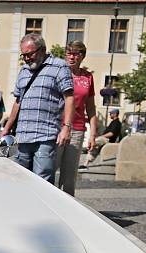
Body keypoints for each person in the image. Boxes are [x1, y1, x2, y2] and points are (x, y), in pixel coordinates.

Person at [0, 33, 74, 184]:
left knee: (42, 181)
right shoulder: (24, 71)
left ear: (42, 49)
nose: (26, 59)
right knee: (19, 181)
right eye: (23, 55)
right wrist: (6, 128)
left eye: (30, 54)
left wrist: (66, 127)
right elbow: (18, 102)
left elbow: (69, 98)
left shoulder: (59, 67)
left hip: (45, 136)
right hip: (22, 137)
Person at [54, 41, 97, 196]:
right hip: (56, 127)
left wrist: (92, 134)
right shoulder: (58, 72)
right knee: (50, 169)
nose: (72, 57)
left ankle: (68, 209)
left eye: (76, 53)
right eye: (69, 53)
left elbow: (91, 108)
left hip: (77, 129)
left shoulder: (88, 77)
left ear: (82, 56)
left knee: (69, 175)